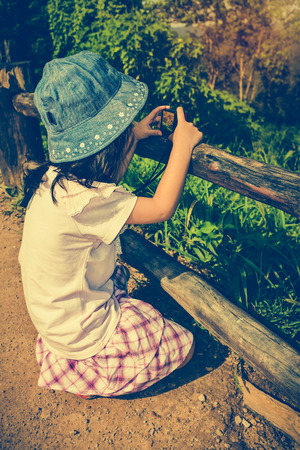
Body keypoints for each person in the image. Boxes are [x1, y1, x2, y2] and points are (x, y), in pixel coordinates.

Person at [19, 51, 203, 399]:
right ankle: (99, 370)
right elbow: (162, 208)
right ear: (109, 145)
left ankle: (81, 369)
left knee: (120, 283)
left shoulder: (55, 180)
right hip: (80, 330)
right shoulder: (87, 202)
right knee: (185, 345)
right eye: (120, 131)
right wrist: (182, 145)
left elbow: (104, 162)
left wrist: (132, 134)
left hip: (56, 321)